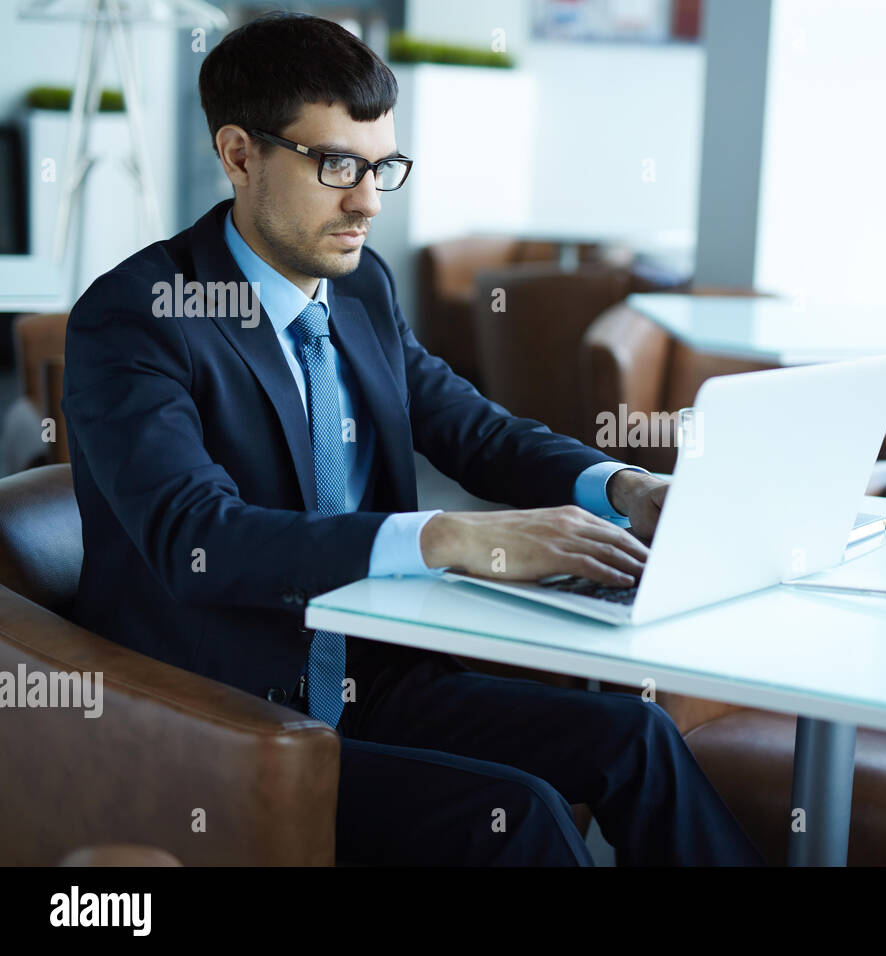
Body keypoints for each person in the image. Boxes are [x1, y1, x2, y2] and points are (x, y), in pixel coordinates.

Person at [62, 11, 763, 866]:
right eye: (335, 166)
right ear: (240, 154)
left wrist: (623, 487)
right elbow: (194, 536)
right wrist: (446, 537)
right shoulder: (139, 316)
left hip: (373, 681)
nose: (366, 201)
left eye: (381, 166)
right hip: (228, 717)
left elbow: (473, 431)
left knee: (638, 736)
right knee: (522, 816)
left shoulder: (360, 289)